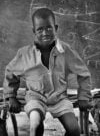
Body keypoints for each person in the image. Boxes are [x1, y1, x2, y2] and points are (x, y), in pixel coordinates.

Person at [3, 7, 92, 136]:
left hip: (59, 98)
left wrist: (84, 97)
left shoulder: (65, 51)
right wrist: (11, 97)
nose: (45, 33)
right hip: (35, 98)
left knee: (74, 129)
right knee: (35, 124)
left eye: (49, 28)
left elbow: (84, 73)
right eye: (40, 29)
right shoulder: (25, 54)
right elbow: (10, 73)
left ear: (56, 28)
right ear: (34, 31)